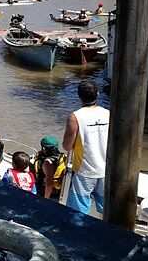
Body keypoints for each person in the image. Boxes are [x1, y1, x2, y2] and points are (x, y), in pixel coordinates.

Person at [62, 81, 109, 215]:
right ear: (98, 94)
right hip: (106, 170)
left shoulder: (75, 117)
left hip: (84, 171)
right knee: (106, 210)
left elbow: (67, 146)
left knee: (78, 212)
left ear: (79, 96)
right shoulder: (108, 113)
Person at [32, 135, 67, 200]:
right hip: (57, 191)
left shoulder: (47, 163)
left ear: (44, 148)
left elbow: (49, 184)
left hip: (47, 193)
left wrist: (46, 199)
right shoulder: (62, 157)